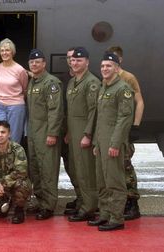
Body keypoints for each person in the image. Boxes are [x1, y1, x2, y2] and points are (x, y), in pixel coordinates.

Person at [89, 52, 134, 231]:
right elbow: (99, 119)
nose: (105, 69)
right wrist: (95, 143)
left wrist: (115, 144)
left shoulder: (123, 89)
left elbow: (124, 119)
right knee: (102, 181)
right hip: (101, 143)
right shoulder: (103, 88)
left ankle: (117, 218)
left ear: (116, 68)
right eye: (102, 66)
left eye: (108, 66)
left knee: (115, 181)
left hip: (113, 143)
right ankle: (105, 214)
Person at [107, 46, 145, 220]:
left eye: (114, 58)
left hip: (124, 129)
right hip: (110, 130)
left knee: (126, 166)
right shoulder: (107, 78)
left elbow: (139, 101)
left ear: (120, 60)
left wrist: (135, 126)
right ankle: (119, 203)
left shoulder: (128, 78)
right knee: (114, 167)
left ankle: (132, 204)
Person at [26, 49, 63, 220]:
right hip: (34, 134)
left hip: (46, 134)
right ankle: (40, 201)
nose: (34, 64)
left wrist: (53, 133)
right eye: (32, 62)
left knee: (48, 170)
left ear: (44, 64)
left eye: (37, 62)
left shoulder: (51, 83)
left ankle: (48, 206)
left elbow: (55, 110)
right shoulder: (33, 82)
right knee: (35, 169)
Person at [65, 47, 100, 222]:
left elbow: (94, 111)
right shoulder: (73, 82)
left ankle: (90, 207)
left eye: (79, 60)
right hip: (74, 132)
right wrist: (69, 132)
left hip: (84, 133)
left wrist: (88, 134)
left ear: (87, 62)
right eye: (73, 60)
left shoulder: (91, 83)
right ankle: (83, 202)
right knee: (76, 169)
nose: (75, 63)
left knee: (86, 171)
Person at [59, 47, 82, 215]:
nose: (71, 61)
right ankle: (81, 198)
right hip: (64, 127)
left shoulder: (89, 79)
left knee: (80, 166)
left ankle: (86, 199)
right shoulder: (65, 79)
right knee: (70, 166)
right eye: (69, 58)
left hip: (76, 129)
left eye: (74, 58)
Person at [0, 38, 28, 144]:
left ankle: (14, 160)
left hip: (16, 106)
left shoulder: (19, 69)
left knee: (14, 137)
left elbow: (24, 88)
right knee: (0, 136)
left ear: (12, 52)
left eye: (7, 50)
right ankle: (1, 160)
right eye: (2, 50)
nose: (5, 53)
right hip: (0, 106)